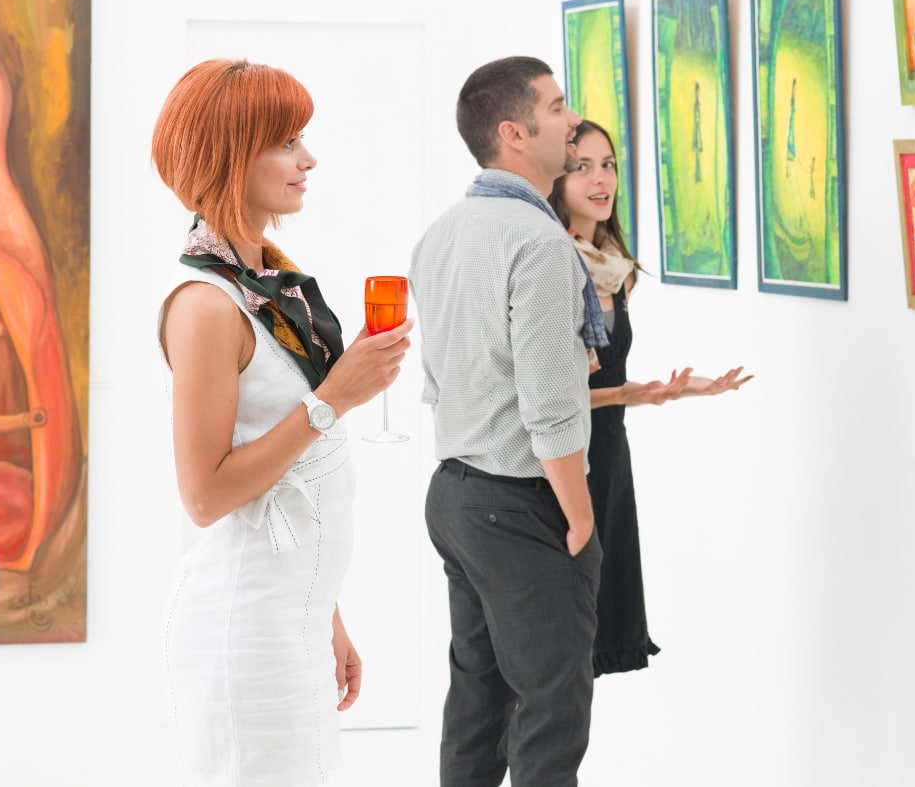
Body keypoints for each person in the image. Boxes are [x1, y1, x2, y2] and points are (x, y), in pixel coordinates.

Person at [152, 58, 412, 786]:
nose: (308, 159)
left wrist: (326, 614)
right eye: (288, 142)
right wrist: (332, 399)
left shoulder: (263, 281)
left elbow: (292, 482)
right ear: (230, 157)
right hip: (248, 635)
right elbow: (205, 495)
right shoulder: (206, 305)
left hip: (289, 620)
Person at [409, 55, 601, 787]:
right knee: (552, 710)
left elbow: (442, 379)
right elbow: (548, 407)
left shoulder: (442, 232)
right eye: (556, 107)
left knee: (478, 699)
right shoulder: (540, 242)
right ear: (515, 133)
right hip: (521, 503)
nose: (572, 119)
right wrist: (579, 518)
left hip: (455, 494)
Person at [547, 119, 753, 677]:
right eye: (582, 167)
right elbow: (549, 397)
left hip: (608, 455)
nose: (600, 180)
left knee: (591, 643)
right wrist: (625, 393)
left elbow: (604, 384)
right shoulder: (552, 263)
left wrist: (677, 390)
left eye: (608, 165)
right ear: (556, 178)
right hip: (563, 461)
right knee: (558, 644)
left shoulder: (614, 269)